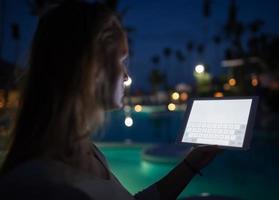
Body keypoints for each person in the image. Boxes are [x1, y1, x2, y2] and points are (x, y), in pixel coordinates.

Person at [0, 1, 222, 199]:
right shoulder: (40, 186)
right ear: (90, 67)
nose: (126, 76)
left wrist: (191, 163)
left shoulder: (86, 149)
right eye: (121, 60)